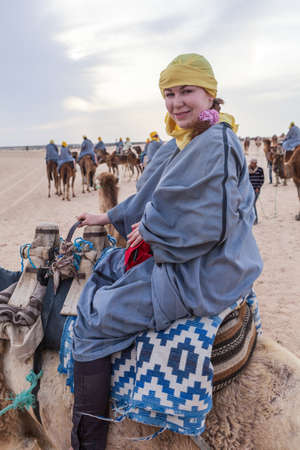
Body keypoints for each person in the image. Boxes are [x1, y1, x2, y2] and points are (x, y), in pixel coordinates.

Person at [71, 53, 263, 449]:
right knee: (108, 270)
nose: (177, 103)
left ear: (210, 94)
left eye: (187, 91)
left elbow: (214, 222)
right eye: (170, 94)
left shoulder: (218, 143)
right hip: (187, 257)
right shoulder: (187, 139)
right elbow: (150, 196)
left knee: (91, 321)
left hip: (203, 270)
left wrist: (156, 232)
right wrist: (111, 217)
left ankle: (87, 441)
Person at [248, 158, 264, 224]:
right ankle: (251, 219)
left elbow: (262, 179)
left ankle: (255, 220)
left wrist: (258, 187)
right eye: (251, 163)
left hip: (256, 190)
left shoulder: (260, 170)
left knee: (252, 204)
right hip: (248, 190)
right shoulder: (247, 170)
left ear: (255, 163)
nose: (252, 164)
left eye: (254, 163)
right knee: (250, 204)